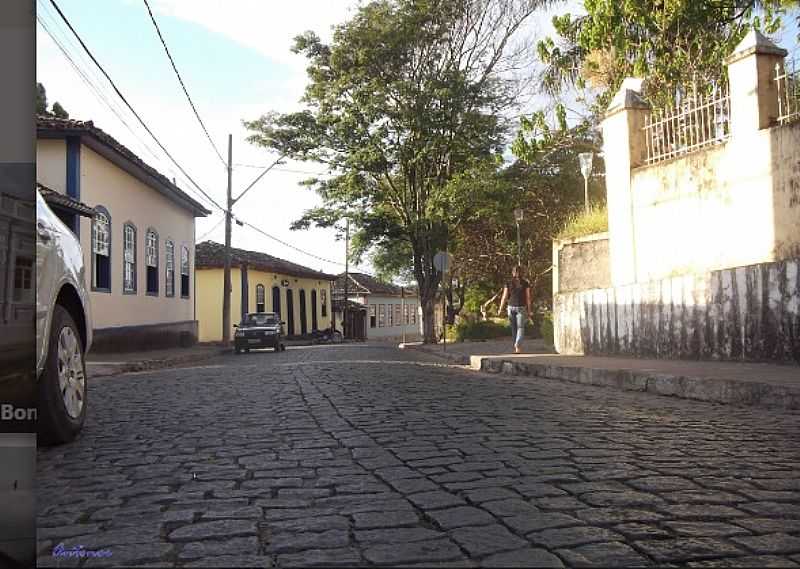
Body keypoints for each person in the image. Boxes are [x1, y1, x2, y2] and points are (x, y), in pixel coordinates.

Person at [498, 266, 531, 353]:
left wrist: (500, 308)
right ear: (522, 273)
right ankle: (518, 346)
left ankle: (516, 347)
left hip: (510, 307)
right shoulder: (525, 283)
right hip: (521, 307)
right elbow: (528, 298)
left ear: (512, 273)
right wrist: (529, 310)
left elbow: (504, 297)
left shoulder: (508, 283)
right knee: (520, 327)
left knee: (514, 328)